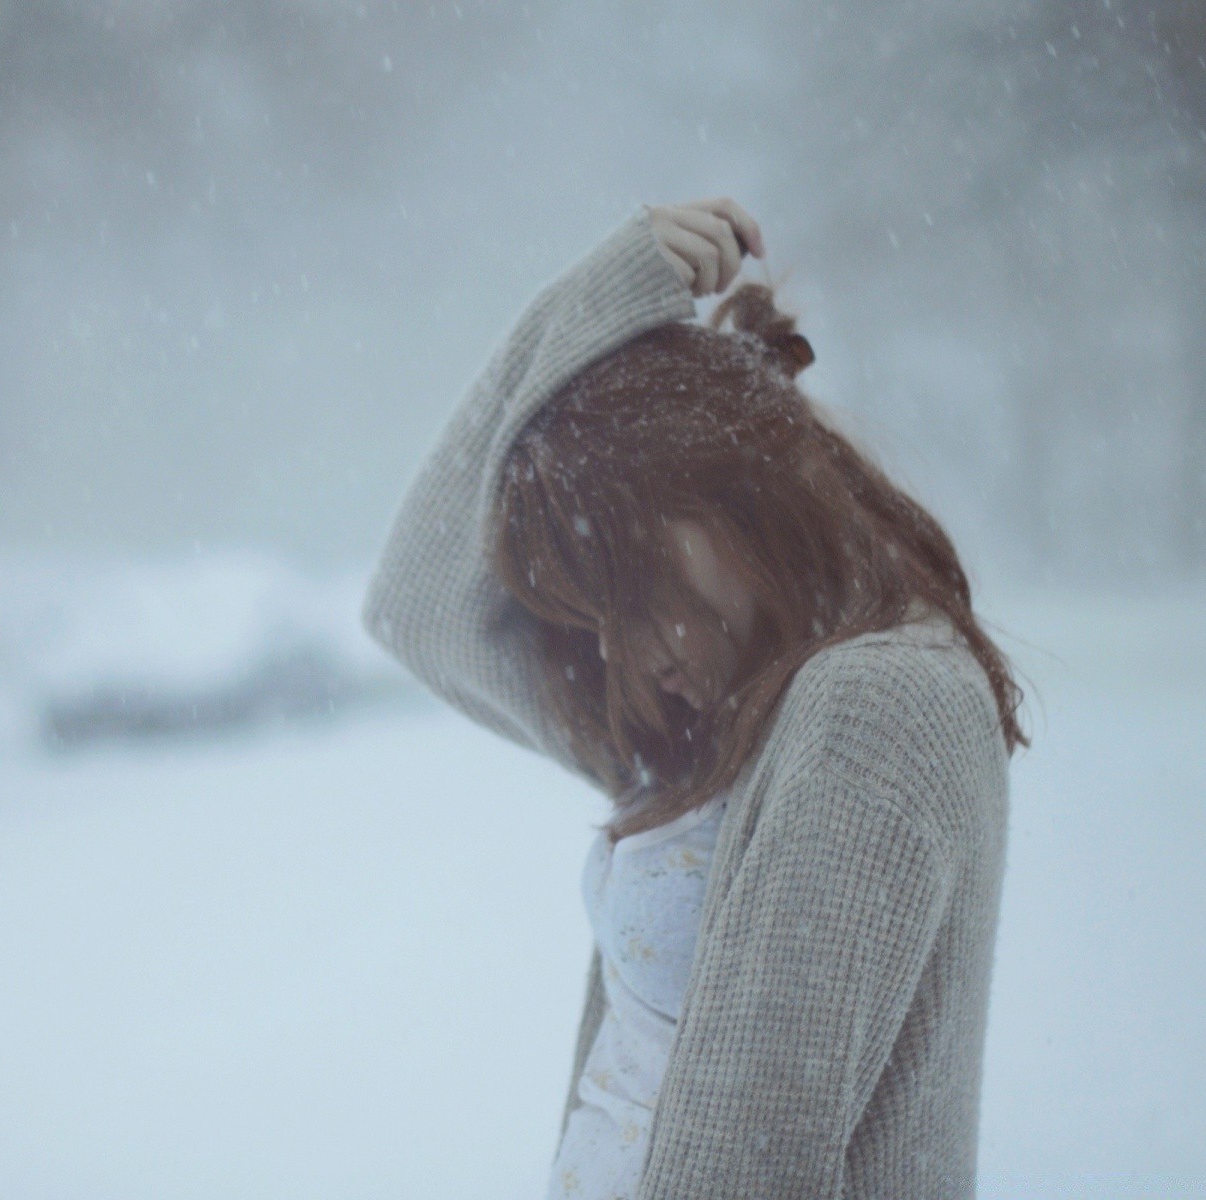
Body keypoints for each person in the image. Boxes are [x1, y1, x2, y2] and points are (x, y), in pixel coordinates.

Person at [362, 197, 1027, 1199]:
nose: (622, 658)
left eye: (631, 593)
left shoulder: (873, 707)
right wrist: (589, 306)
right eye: (595, 621)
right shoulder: (718, 718)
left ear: (725, 496)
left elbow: (749, 1170)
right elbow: (419, 605)